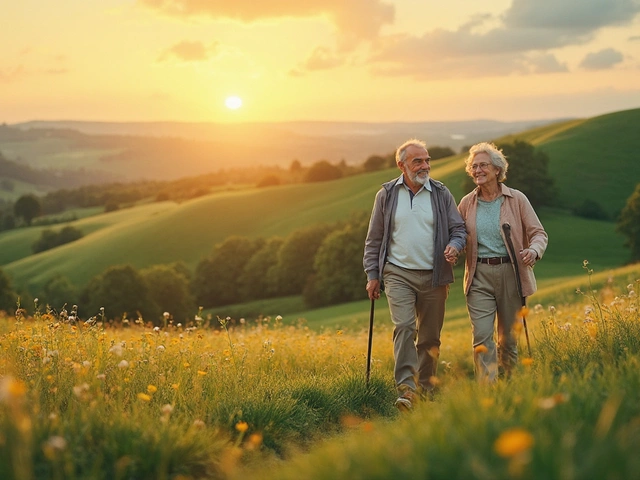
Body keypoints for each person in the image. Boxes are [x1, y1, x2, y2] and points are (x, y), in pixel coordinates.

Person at [363, 139, 466, 410]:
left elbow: (459, 230)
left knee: (430, 337)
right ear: (402, 165)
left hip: (434, 275)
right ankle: (407, 389)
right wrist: (372, 274)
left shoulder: (441, 194)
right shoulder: (386, 194)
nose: (425, 166)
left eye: (427, 160)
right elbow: (374, 239)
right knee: (405, 327)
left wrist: (454, 246)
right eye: (417, 161)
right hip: (398, 273)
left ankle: (427, 388)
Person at [457, 142, 548, 383]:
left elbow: (539, 233)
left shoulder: (516, 199)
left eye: (483, 165)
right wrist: (451, 248)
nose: (477, 170)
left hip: (511, 273)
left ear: (497, 169)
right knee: (482, 337)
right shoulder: (467, 203)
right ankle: (488, 390)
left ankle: (510, 386)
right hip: (478, 276)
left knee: (508, 339)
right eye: (473, 166)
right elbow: (456, 235)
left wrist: (533, 251)